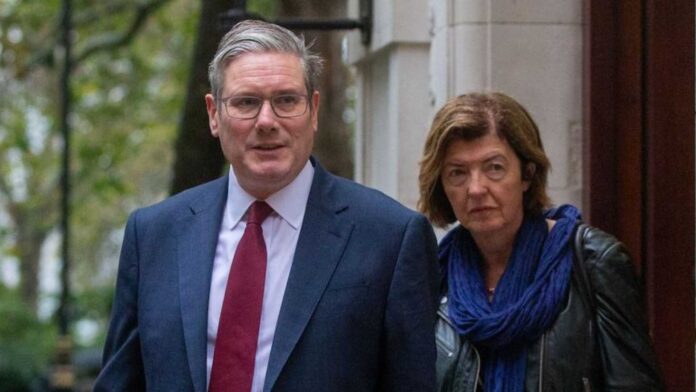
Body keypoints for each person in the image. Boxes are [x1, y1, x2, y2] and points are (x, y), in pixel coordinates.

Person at [94, 20, 439, 392]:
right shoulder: (153, 236)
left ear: (315, 109)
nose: (267, 121)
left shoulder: (390, 238)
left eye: (286, 100)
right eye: (246, 102)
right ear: (213, 114)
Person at [418, 92, 663, 391]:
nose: (476, 188)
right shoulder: (431, 277)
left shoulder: (592, 263)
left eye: (494, 167)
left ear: (527, 175)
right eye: (457, 173)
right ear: (441, 186)